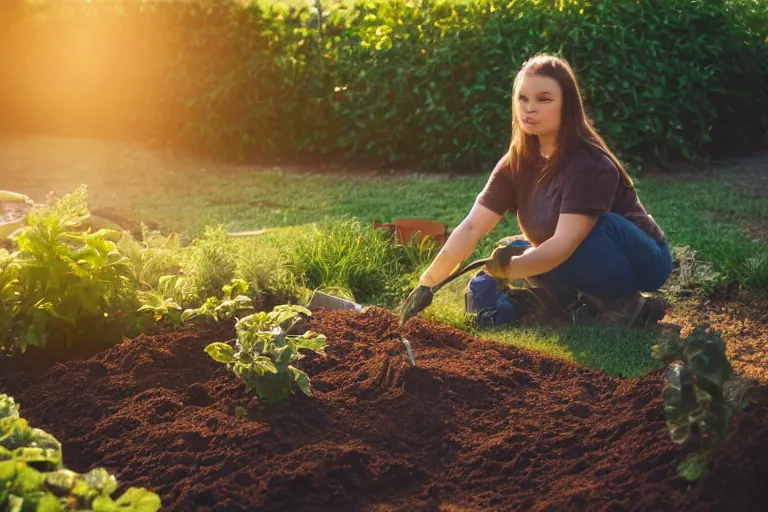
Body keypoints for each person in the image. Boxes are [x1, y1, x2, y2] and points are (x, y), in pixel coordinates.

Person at [401, 54, 672, 329]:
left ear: (567, 106)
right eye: (523, 98)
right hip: (573, 249)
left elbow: (563, 245)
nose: (530, 109)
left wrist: (508, 271)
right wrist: (427, 283)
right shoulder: (515, 162)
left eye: (544, 99)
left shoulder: (588, 163)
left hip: (643, 260)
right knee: (512, 247)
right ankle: (581, 303)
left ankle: (626, 304)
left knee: (591, 232)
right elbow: (472, 227)